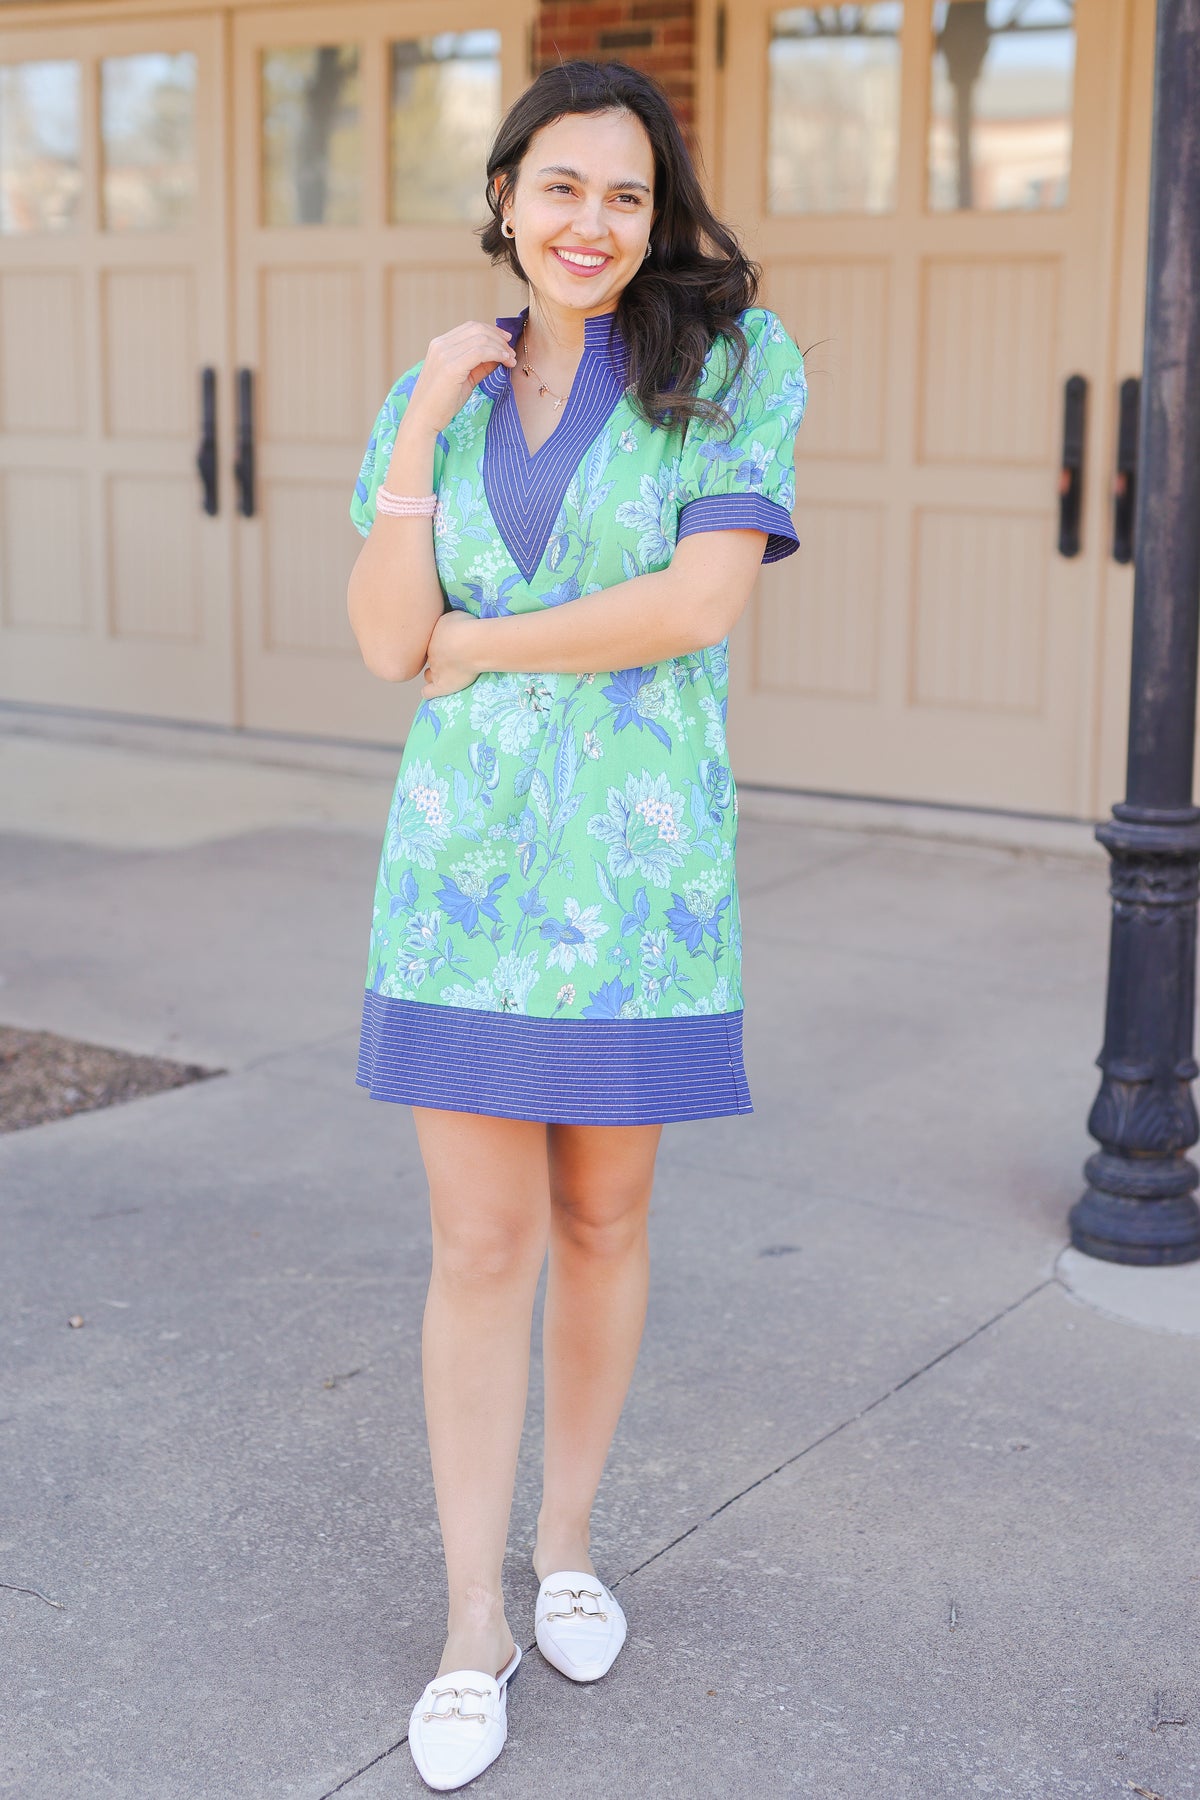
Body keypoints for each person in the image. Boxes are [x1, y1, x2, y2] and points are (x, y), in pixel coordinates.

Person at [346, 58, 807, 1793]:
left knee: (604, 1225)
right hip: (461, 877)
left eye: (626, 193)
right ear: (507, 196)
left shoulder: (733, 366)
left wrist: (472, 645)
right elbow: (386, 634)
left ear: (659, 206)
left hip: (635, 875)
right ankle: (473, 1617)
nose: (592, 224)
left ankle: (567, 1548)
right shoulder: (442, 389)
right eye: (561, 188)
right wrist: (413, 442)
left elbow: (698, 602)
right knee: (479, 1248)